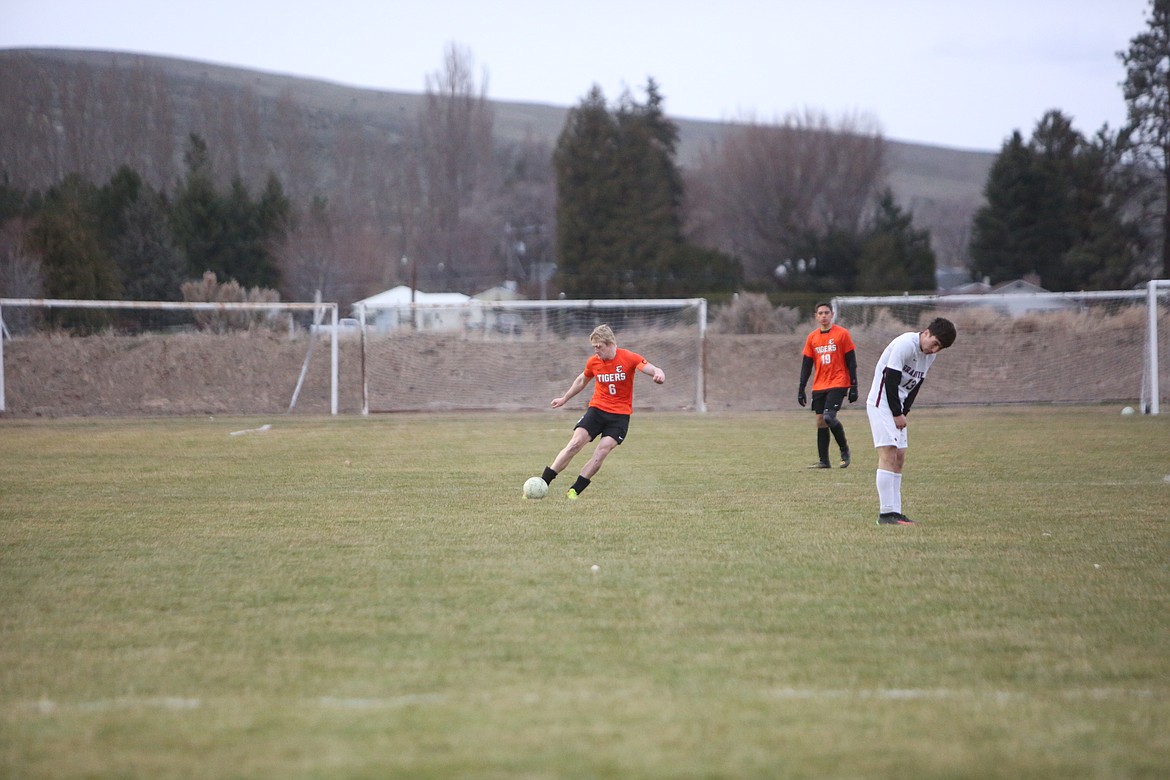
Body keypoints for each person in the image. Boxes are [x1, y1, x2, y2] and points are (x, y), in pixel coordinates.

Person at [538, 324, 665, 500]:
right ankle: (542, 483)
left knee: (601, 452)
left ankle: (574, 490)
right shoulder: (594, 362)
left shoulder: (628, 357)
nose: (596, 351)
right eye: (594, 348)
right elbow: (582, 380)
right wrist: (564, 398)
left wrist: (659, 374)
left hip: (619, 416)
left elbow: (651, 368)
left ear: (610, 343)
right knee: (575, 443)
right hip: (597, 410)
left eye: (599, 347)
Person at [866, 317, 957, 525]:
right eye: (935, 343)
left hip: (897, 407)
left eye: (940, 348)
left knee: (899, 457)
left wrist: (904, 412)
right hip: (881, 403)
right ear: (926, 332)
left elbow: (915, 386)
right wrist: (897, 413)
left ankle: (896, 513)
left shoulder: (928, 357)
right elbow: (890, 380)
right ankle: (886, 514)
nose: (934, 350)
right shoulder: (905, 344)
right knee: (888, 453)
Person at [797, 303, 859, 469]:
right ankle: (824, 461)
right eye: (820, 313)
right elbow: (806, 365)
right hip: (819, 385)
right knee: (820, 421)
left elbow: (851, 362)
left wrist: (854, 386)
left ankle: (844, 449)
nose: (823, 316)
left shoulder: (842, 334)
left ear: (832, 314)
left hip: (838, 382)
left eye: (826, 313)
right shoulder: (812, 338)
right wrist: (801, 388)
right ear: (816, 316)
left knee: (828, 417)